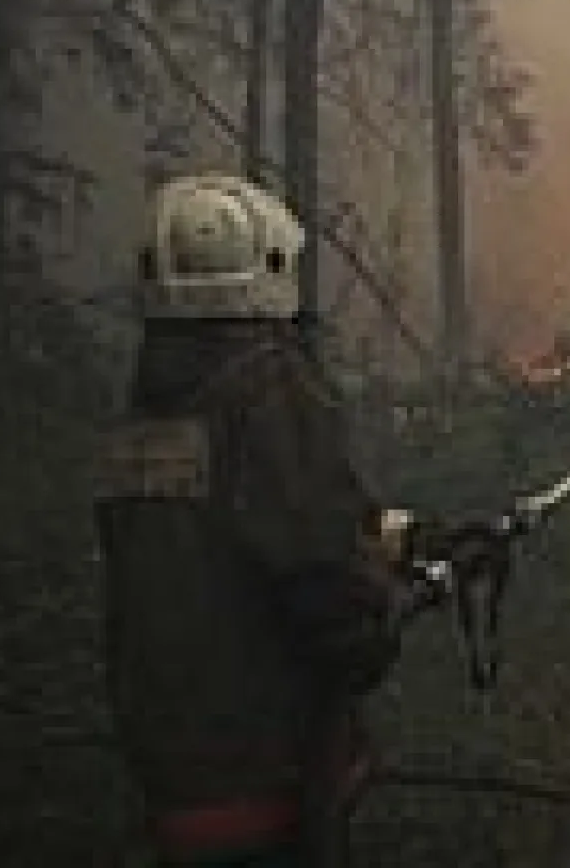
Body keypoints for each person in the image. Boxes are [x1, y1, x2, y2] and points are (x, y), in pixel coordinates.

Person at [94, 175, 419, 868]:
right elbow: (323, 578)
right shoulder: (267, 386)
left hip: (171, 781)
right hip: (273, 780)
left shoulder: (149, 405)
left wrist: (388, 536)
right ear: (268, 264)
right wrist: (380, 613)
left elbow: (205, 543)